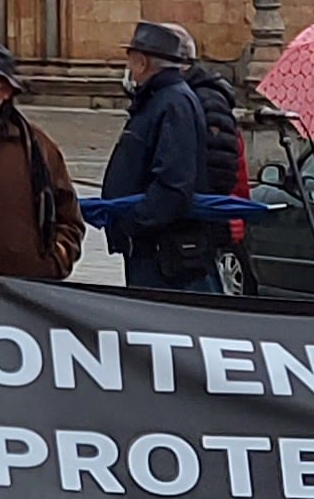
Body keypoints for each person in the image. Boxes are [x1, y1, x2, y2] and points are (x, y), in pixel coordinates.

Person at [98, 22, 233, 297]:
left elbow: (174, 182)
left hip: (163, 254)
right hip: (153, 249)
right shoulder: (161, 99)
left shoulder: (172, 102)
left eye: (131, 59)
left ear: (142, 61)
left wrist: (132, 221)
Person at [0, 42, 86, 282]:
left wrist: (53, 261)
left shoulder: (35, 146)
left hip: (22, 292)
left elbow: (68, 216)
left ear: (6, 90)